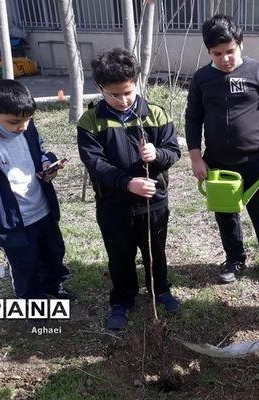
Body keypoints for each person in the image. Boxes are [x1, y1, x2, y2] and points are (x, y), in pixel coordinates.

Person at [77, 48, 181, 330]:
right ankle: (122, 299)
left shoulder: (155, 115)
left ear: (136, 83)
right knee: (120, 254)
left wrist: (157, 155)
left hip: (153, 202)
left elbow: (173, 151)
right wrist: (127, 182)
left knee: (155, 251)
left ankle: (160, 290)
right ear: (100, 88)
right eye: (114, 94)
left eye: (128, 92)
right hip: (114, 205)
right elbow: (95, 164)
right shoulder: (91, 122)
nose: (123, 100)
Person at [185, 14, 259, 289]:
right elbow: (192, 118)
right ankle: (234, 259)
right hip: (217, 161)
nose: (225, 58)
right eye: (217, 53)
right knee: (225, 212)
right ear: (208, 51)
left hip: (255, 160)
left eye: (230, 51)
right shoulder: (202, 78)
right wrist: (196, 158)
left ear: (240, 44)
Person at [0, 79, 74, 302]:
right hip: (10, 222)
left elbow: (41, 151)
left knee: (53, 253)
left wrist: (47, 165)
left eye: (28, 120)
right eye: (15, 122)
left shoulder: (27, 129)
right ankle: (31, 302)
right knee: (24, 266)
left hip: (42, 210)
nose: (23, 127)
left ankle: (54, 286)